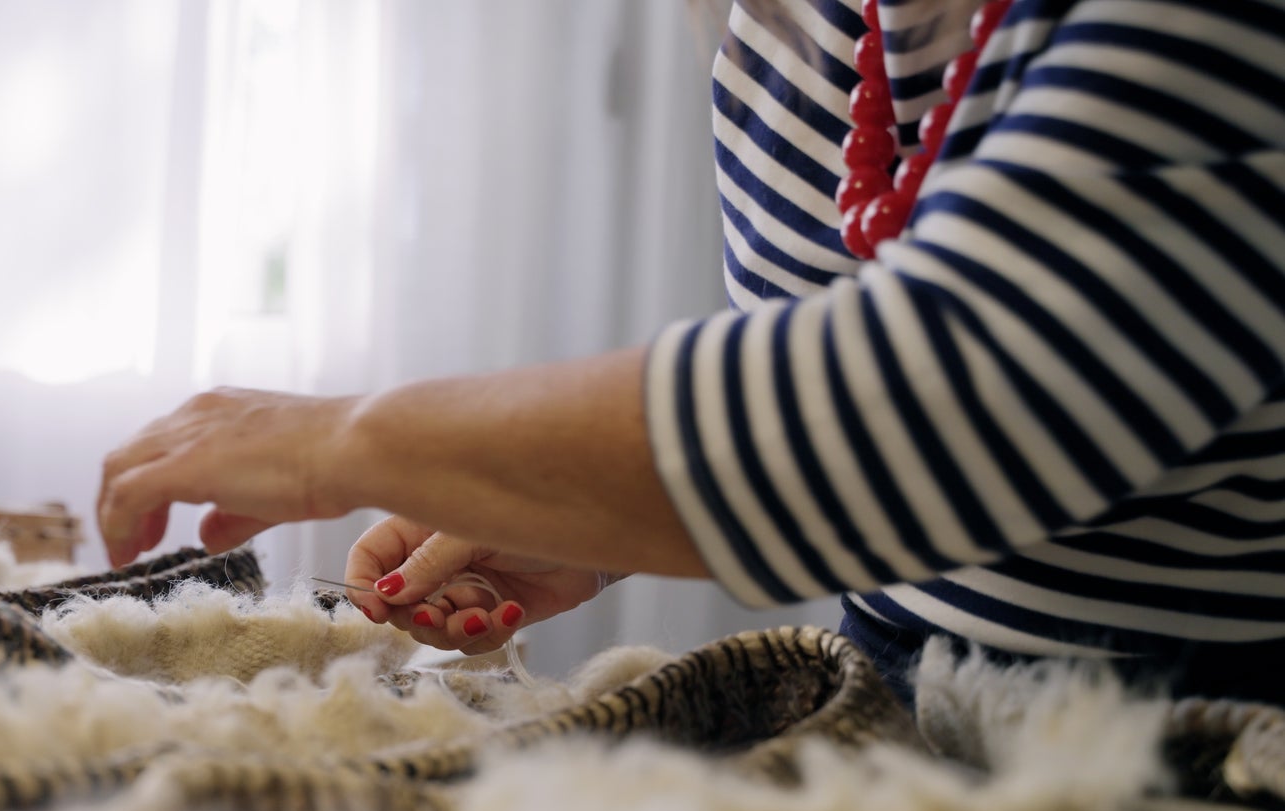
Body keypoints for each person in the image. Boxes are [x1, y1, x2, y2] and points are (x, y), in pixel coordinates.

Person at [97, 0, 1285, 707]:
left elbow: (946, 408)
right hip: (903, 692)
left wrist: (347, 440)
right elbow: (810, 362)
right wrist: (578, 510)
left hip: (1206, 752)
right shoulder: (803, 23)